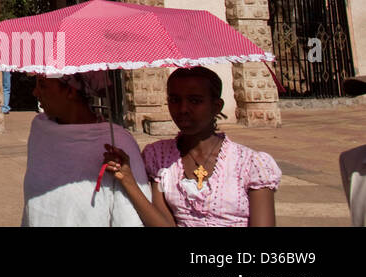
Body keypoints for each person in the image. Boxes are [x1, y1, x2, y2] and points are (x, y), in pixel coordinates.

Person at [102, 66, 280, 227]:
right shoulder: (160, 157)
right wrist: (128, 180)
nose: (183, 109)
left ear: (217, 106)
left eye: (195, 101)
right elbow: (163, 224)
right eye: (174, 99)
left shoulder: (250, 163)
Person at [22, 72, 149, 226]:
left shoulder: (117, 142)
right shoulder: (41, 131)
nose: (35, 92)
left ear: (71, 90)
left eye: (42, 85)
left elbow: (128, 215)